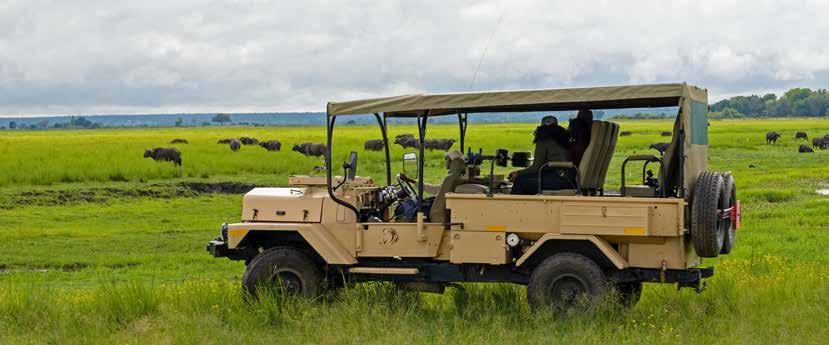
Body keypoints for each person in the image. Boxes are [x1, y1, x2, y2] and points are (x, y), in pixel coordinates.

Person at [509, 116, 573, 195]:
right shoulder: (563, 140)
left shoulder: (543, 140)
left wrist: (518, 173)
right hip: (569, 180)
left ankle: (514, 206)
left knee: (520, 181)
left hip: (556, 180)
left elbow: (536, 167)